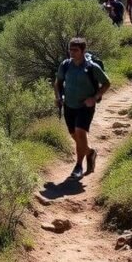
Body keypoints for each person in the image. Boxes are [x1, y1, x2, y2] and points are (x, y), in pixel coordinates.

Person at [54, 37, 111, 180]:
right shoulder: (65, 65)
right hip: (69, 105)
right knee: (74, 135)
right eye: (70, 50)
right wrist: (58, 97)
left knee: (80, 132)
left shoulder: (92, 67)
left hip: (85, 106)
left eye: (76, 50)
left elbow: (106, 83)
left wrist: (95, 97)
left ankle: (78, 166)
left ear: (83, 51)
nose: (72, 53)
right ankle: (90, 153)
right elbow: (58, 83)